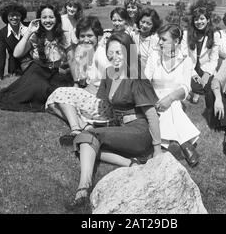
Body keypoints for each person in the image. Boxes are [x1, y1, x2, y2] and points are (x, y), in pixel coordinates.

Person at [68, 32, 162, 209]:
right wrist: (89, 120)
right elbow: (104, 105)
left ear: (129, 52)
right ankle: (132, 164)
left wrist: (157, 150)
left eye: (119, 52)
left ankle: (82, 189)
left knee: (88, 139)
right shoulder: (109, 73)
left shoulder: (136, 76)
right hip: (120, 127)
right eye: (110, 53)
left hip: (139, 132)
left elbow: (151, 115)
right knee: (86, 142)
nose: (114, 57)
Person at [0, 4, 74, 112]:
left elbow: (71, 59)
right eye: (44, 17)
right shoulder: (33, 34)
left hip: (53, 71)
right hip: (35, 70)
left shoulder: (62, 36)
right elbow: (14, 54)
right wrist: (29, 32)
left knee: (61, 91)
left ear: (56, 18)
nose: (48, 20)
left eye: (51, 17)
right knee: (39, 88)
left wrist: (76, 80)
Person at [45, 16, 113, 145]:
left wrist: (89, 89)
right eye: (82, 36)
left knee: (59, 94)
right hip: (94, 99)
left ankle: (76, 129)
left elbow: (110, 82)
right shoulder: (88, 52)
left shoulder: (102, 54)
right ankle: (85, 127)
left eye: (90, 36)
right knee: (52, 104)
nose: (85, 40)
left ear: (98, 36)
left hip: (102, 104)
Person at [144, 24, 200, 167]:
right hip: (153, 98)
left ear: (176, 41)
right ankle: (185, 143)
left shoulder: (185, 60)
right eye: (159, 39)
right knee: (172, 107)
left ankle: (163, 144)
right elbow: (145, 81)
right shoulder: (154, 56)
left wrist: (169, 98)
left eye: (164, 40)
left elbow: (185, 88)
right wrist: (155, 99)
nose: (160, 43)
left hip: (174, 99)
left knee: (173, 104)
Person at [183, 7, 219, 104]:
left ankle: (194, 91)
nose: (199, 22)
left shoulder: (214, 34)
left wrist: (207, 74)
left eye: (202, 19)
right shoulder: (186, 34)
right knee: (196, 85)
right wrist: (194, 74)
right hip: (191, 67)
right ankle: (192, 91)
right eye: (196, 19)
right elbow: (185, 57)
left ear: (208, 20)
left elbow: (214, 59)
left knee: (209, 86)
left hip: (205, 67)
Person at [0, 2, 31, 81]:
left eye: (17, 15)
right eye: (11, 15)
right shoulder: (2, 33)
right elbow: (1, 54)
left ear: (21, 16)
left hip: (32, 62)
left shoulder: (29, 26)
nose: (15, 18)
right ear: (6, 17)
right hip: (15, 68)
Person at [132, 8, 162, 74]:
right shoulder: (133, 35)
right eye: (142, 22)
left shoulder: (157, 39)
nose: (144, 25)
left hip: (151, 75)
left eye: (148, 23)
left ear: (154, 25)